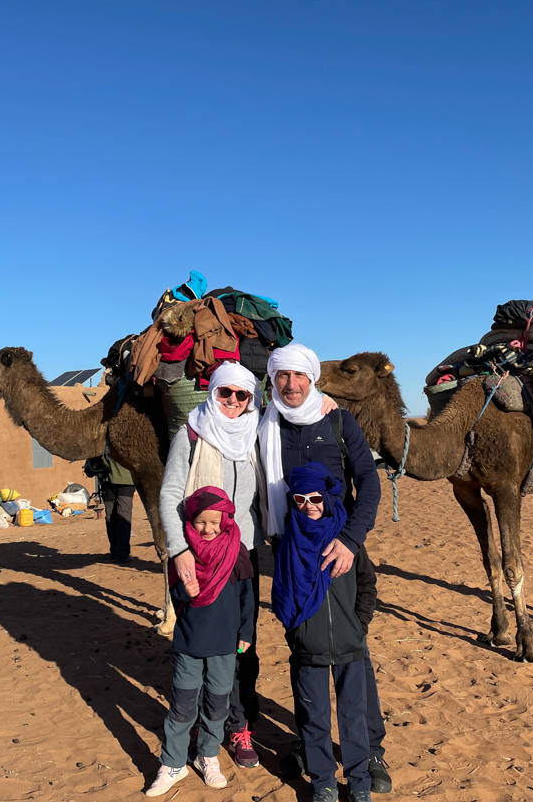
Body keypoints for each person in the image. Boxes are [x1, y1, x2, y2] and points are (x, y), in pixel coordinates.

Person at [257, 343, 393, 793]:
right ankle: (315, 752)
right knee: (308, 649)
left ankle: (369, 751)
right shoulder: (263, 426)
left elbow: (369, 481)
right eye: (283, 377)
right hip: (292, 553)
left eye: (299, 376)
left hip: (342, 548)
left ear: (312, 379)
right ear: (273, 380)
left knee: (354, 646)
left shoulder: (336, 420)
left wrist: (352, 540)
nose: (292, 385)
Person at [159, 361, 268, 768]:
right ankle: (192, 731)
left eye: (243, 395)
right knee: (198, 638)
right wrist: (178, 549)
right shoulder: (191, 434)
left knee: (243, 641)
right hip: (199, 552)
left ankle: (238, 727)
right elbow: (171, 494)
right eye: (227, 393)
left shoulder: (255, 433)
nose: (234, 402)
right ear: (213, 393)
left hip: (243, 553)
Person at [145, 486, 254, 797]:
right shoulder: (183, 557)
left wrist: (246, 633)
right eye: (200, 523)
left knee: (217, 706)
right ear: (189, 523)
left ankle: (208, 755)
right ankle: (173, 763)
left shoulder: (237, 552)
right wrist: (184, 591)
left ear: (226, 519)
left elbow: (248, 599)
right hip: (189, 644)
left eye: (214, 522)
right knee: (181, 707)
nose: (208, 529)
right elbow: (175, 595)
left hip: (224, 644)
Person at [272, 462, 370, 802]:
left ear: (326, 497)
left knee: (353, 718)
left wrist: (359, 625)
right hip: (307, 647)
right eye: (300, 499)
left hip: (350, 644)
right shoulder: (288, 544)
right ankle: (324, 782)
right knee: (314, 719)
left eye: (315, 498)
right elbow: (281, 597)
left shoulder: (347, 540)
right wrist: (297, 633)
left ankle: (359, 783)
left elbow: (367, 584)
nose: (309, 505)